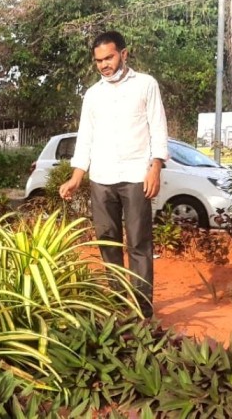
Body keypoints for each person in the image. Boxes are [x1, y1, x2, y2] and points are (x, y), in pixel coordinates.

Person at [59, 31, 168, 318]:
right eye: (99, 61)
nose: (104, 64)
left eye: (109, 57)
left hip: (136, 176)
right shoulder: (93, 95)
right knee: (107, 243)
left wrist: (155, 167)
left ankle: (142, 312)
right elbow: (86, 138)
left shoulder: (146, 85)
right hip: (101, 178)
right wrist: (76, 176)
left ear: (124, 53)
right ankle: (119, 307)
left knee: (139, 243)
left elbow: (158, 128)